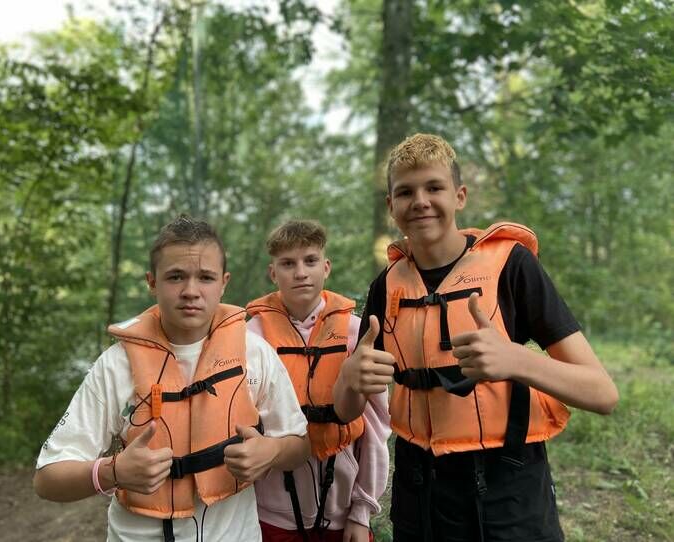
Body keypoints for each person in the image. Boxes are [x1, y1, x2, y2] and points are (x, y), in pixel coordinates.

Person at [333, 134, 619, 542]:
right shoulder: (386, 285)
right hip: (418, 488)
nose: (420, 201)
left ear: (460, 196)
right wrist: (349, 378)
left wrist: (516, 360)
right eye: (406, 192)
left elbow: (603, 394)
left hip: (507, 484)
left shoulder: (512, 266)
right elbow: (346, 410)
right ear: (391, 206)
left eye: (434, 187)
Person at [34, 216, 309, 542]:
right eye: (176, 277)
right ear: (152, 282)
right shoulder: (116, 365)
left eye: (205, 277)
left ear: (223, 283)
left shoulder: (255, 354)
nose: (191, 291)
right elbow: (47, 480)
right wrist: (113, 471)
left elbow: (300, 446)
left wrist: (271, 451)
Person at [246, 220, 391, 542]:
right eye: (288, 264)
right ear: (273, 273)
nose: (300, 273)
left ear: (326, 267)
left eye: (310, 261)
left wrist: (362, 510)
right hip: (268, 514)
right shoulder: (250, 337)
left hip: (343, 513)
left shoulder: (357, 333)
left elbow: (377, 427)